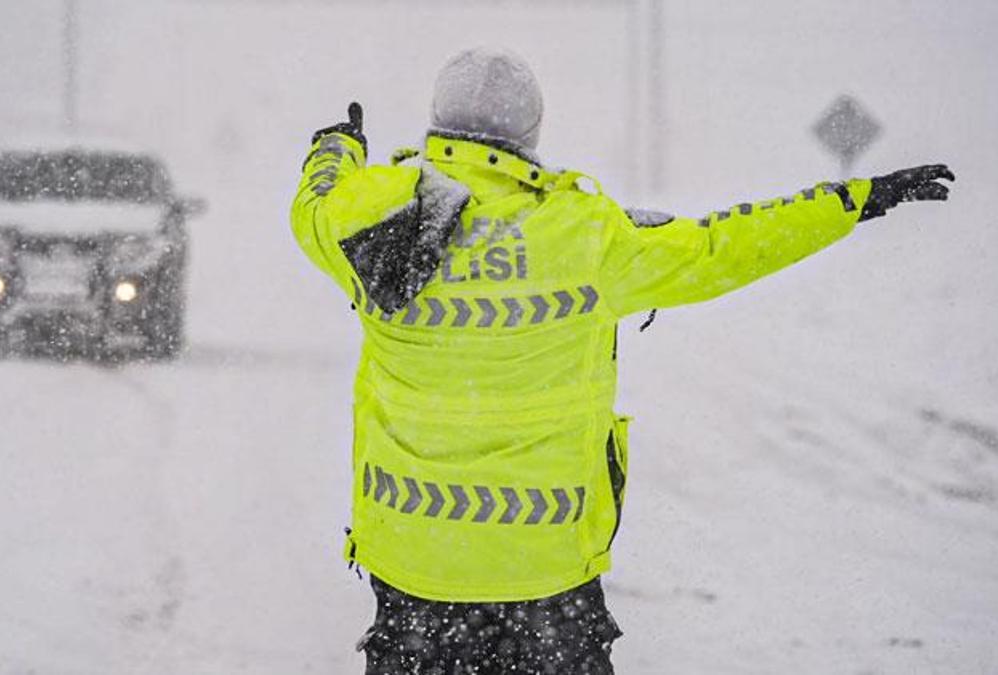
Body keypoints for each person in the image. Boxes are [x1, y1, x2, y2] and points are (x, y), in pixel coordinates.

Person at [290, 47, 953, 674]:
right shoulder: (587, 235)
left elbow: (313, 203)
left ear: (439, 124)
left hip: (415, 567)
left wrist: (337, 147)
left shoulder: (372, 220)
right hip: (544, 577)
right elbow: (724, 244)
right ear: (530, 134)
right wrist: (852, 200)